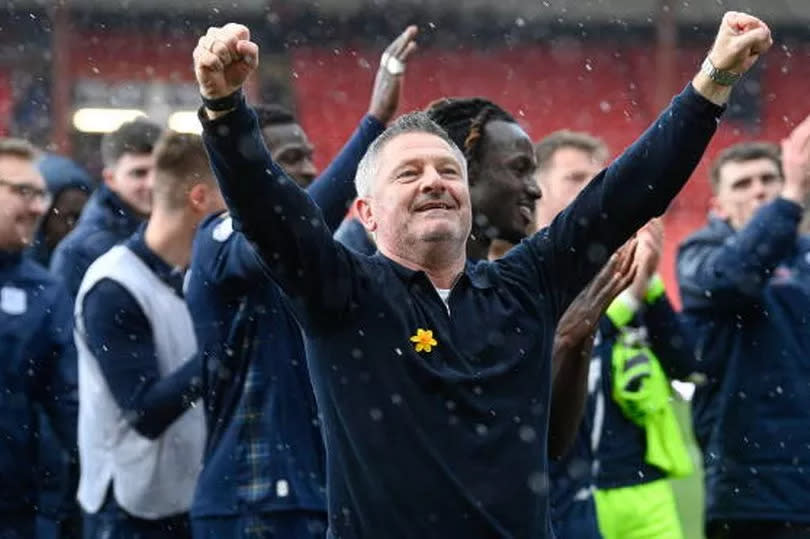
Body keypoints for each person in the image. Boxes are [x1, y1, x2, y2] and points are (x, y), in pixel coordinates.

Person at [193, 14, 769, 537]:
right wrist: (224, 110)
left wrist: (712, 82)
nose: (434, 181)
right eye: (408, 173)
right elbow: (270, 212)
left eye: (448, 170)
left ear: (467, 197)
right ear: (365, 213)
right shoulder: (344, 294)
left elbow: (623, 193)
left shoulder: (525, 285)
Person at [186, 27, 417, 538]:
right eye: (291, 160)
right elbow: (289, 231)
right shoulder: (218, 238)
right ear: (249, 175)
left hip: (319, 494)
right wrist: (373, 124)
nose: (311, 169)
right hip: (253, 497)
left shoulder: (333, 254)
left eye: (312, 156)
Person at [74, 132, 225, 538]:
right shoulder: (113, 286)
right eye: (229, 205)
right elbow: (144, 411)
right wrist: (223, 348)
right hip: (127, 508)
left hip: (184, 496)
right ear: (200, 199)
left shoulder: (193, 273)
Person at [677, 116, 810, 539]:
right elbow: (731, 280)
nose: (759, 190)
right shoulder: (699, 254)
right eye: (742, 184)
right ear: (717, 206)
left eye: (769, 178)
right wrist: (788, 200)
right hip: (750, 490)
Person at [0, 138, 78, 539]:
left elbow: (68, 404)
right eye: (23, 192)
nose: (37, 208)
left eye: (40, 194)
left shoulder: (44, 292)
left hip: (20, 514)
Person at [51, 118, 161, 296]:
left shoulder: (190, 231)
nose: (152, 183)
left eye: (161, 171)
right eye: (139, 173)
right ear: (111, 179)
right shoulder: (79, 251)